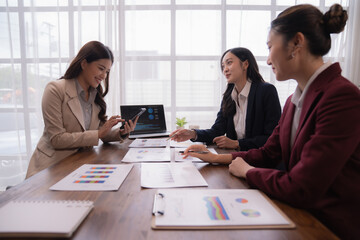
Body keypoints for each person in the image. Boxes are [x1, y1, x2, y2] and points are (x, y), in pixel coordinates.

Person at [183, 4, 360, 240]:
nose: (267, 60)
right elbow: (269, 152)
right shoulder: (293, 101)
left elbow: (302, 187)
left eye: (269, 47)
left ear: (297, 43)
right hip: (296, 214)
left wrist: (249, 172)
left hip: (326, 227)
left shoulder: (341, 96)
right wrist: (217, 158)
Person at [26, 41, 137, 178]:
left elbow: (101, 132)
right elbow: (57, 138)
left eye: (107, 71)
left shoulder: (95, 96)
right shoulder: (55, 89)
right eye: (101, 68)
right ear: (84, 64)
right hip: (51, 169)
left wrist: (121, 132)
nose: (104, 76)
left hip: (81, 165)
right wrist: (98, 134)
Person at [170, 47, 281, 150]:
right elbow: (217, 130)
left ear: (245, 64)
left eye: (229, 63)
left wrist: (237, 143)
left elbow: (272, 137)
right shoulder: (229, 96)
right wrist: (192, 134)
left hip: (259, 161)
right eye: (223, 66)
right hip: (235, 158)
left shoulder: (266, 91)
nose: (225, 70)